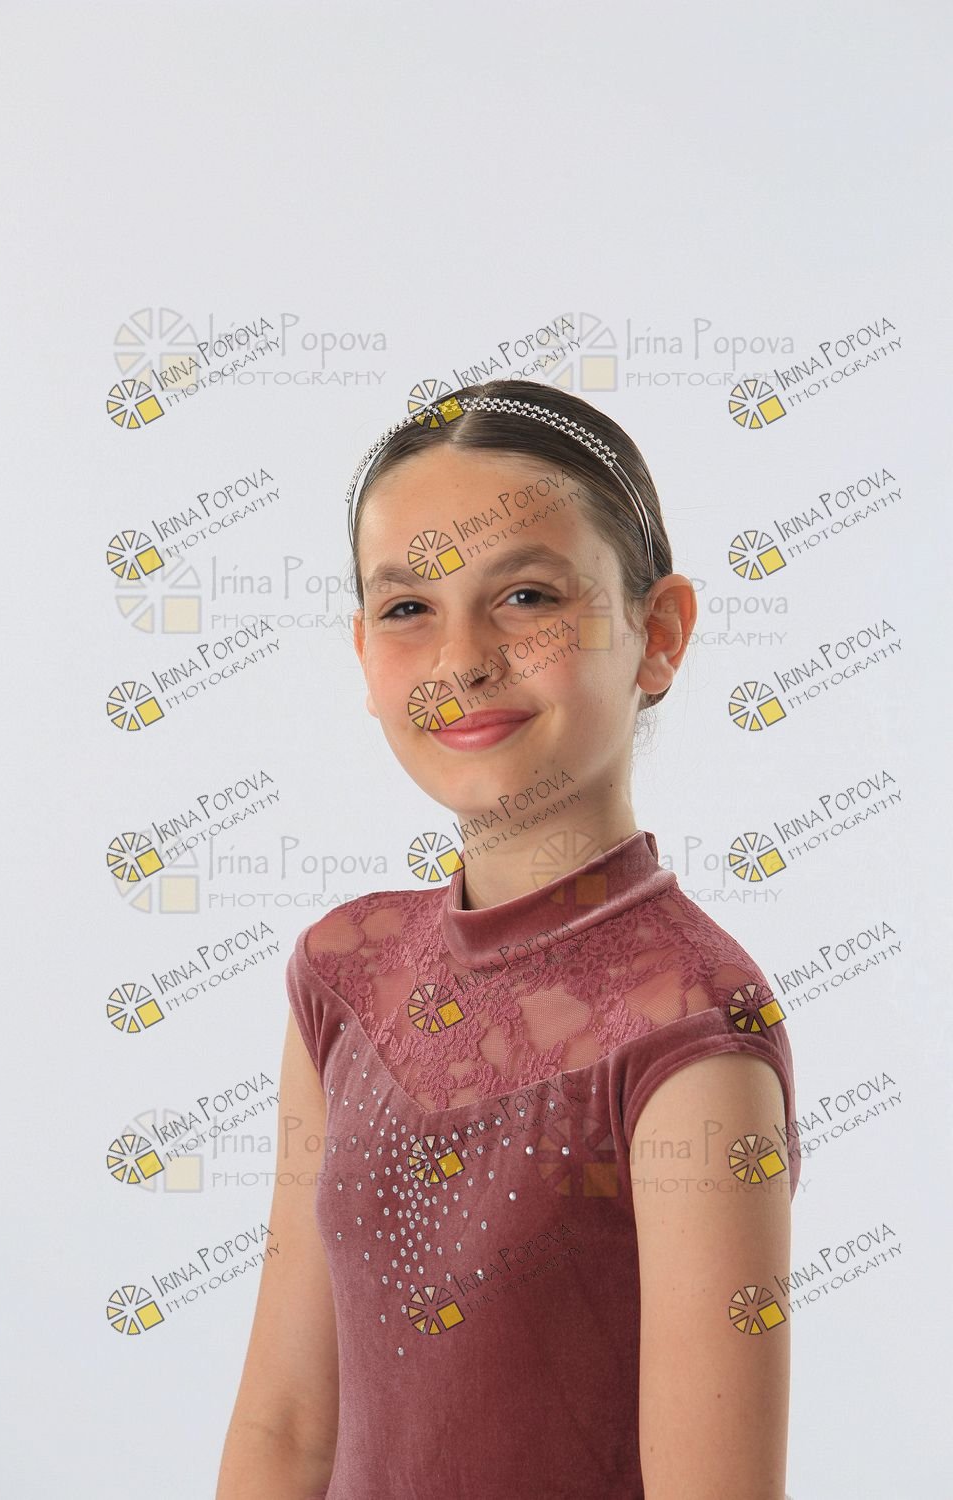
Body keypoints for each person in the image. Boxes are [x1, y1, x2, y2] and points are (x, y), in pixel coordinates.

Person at [216, 378, 800, 1500]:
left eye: (527, 596)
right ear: (362, 652)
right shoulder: (345, 970)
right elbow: (286, 1428)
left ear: (658, 634)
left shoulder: (689, 1030)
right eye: (407, 608)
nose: (462, 659)